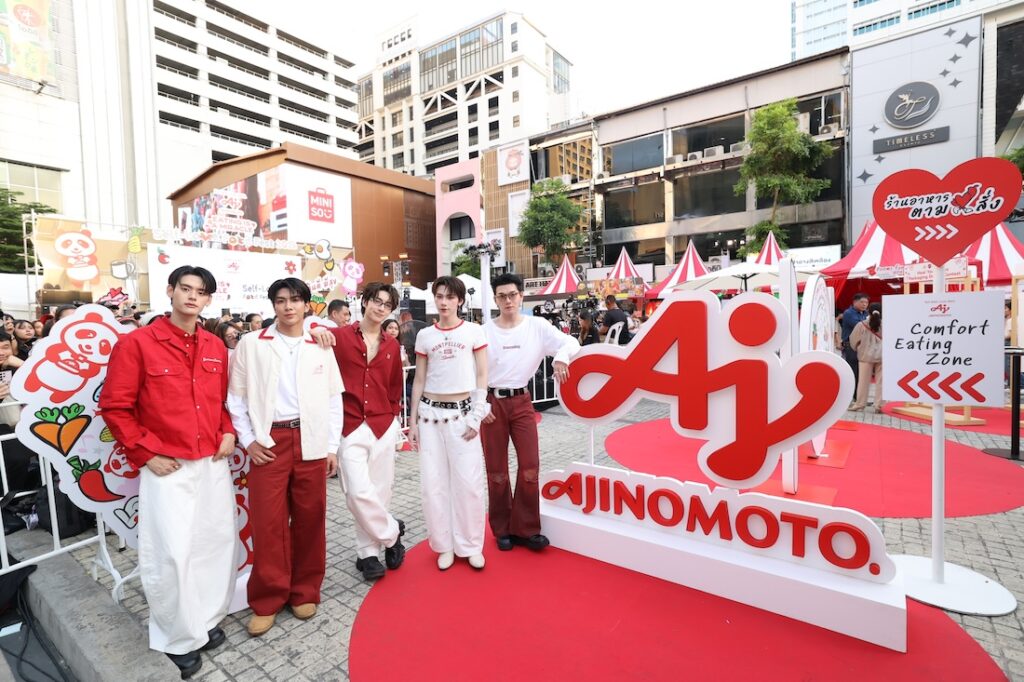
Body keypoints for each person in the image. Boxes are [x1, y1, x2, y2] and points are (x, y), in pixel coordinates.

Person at [99, 266, 236, 679]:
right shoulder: (137, 344)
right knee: (171, 552)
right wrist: (145, 454)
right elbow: (115, 407)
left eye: (201, 292)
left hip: (211, 461)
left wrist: (228, 431)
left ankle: (204, 620)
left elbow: (221, 402)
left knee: (214, 544)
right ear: (170, 291)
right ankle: (177, 637)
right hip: (167, 465)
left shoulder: (215, 345)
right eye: (185, 289)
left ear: (208, 300)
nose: (192, 297)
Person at [228, 278, 343, 637]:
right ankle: (267, 598)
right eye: (280, 301)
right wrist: (248, 441)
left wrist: (331, 446)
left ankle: (305, 590)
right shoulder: (251, 343)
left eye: (295, 300)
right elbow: (236, 398)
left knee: (311, 518)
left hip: (311, 438)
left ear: (307, 305)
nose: (288, 307)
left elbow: (333, 399)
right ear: (273, 305)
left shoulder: (320, 344)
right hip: (269, 440)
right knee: (268, 523)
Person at [482, 274, 580, 552]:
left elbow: (571, 343)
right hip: (492, 403)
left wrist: (560, 358)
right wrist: (479, 404)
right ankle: (502, 529)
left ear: (521, 295)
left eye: (512, 294)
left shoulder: (537, 326)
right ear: (495, 299)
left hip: (522, 401)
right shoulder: (485, 331)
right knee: (496, 470)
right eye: (502, 296)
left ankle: (526, 528)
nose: (508, 300)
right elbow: (470, 369)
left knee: (529, 466)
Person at [409, 276, 490, 571]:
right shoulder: (425, 336)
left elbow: (482, 375)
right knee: (433, 484)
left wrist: (477, 414)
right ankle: (444, 545)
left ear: (460, 301)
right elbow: (419, 379)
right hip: (429, 416)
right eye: (439, 296)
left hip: (462, 415)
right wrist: (412, 420)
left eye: (450, 297)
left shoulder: (474, 331)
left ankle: (471, 545)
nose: (444, 302)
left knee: (468, 483)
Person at [329, 283, 407, 582]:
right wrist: (316, 330)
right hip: (349, 424)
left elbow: (394, 385)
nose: (380, 308)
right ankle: (392, 533)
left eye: (387, 305)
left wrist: (392, 415)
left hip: (382, 424)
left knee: (379, 491)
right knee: (357, 491)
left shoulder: (392, 345)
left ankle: (368, 554)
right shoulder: (338, 337)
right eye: (376, 301)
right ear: (364, 302)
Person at [849, 303, 883, 412]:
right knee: (881, 381)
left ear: (869, 311)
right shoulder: (887, 324)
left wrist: (858, 348)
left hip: (865, 355)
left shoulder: (861, 324)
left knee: (863, 381)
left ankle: (860, 404)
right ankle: (879, 405)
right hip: (883, 356)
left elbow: (853, 340)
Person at [840, 294, 869, 394]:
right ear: (854, 302)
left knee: (862, 371)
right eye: (862, 302)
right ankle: (852, 394)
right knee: (853, 370)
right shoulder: (849, 313)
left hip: (863, 345)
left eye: (866, 302)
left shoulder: (866, 313)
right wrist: (870, 322)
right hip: (851, 346)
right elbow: (860, 326)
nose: (864, 304)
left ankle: (859, 395)